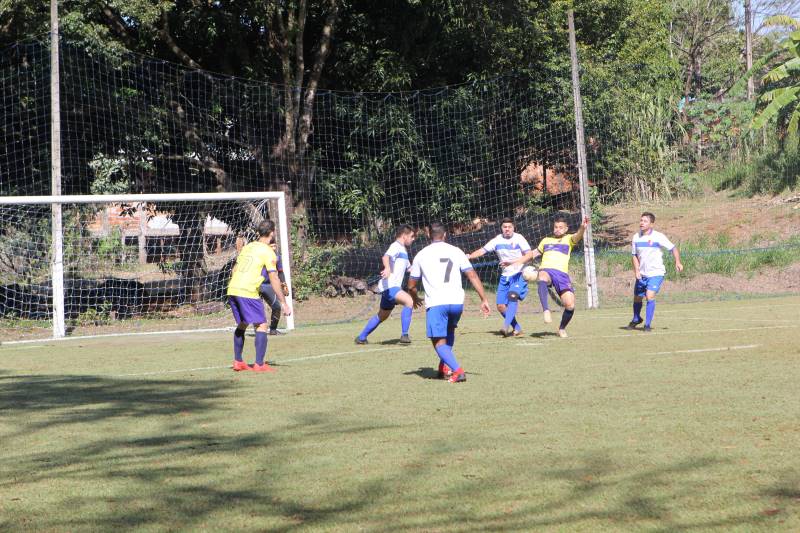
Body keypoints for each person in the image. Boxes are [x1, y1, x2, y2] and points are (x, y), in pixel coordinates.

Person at [407, 223, 491, 383]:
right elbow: (472, 275)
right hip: (456, 302)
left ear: (428, 235)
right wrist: (484, 299)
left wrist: (415, 297)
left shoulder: (421, 254)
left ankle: (458, 371)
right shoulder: (456, 251)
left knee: (438, 340)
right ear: (445, 235)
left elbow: (411, 285)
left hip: (437, 303)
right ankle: (443, 367)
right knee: (449, 331)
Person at [227, 220, 292, 372]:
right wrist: (283, 302)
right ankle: (259, 364)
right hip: (247, 290)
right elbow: (274, 278)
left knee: (243, 323)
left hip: (233, 288)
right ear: (272, 233)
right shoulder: (268, 252)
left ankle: (238, 361)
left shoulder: (248, 246)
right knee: (261, 325)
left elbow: (234, 269)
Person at [468, 217, 533, 337]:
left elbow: (529, 255)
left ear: (513, 227)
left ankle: (505, 326)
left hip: (519, 274)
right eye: (505, 227)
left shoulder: (519, 238)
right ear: (501, 228)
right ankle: (517, 328)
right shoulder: (497, 240)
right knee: (501, 306)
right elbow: (482, 250)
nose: (507, 229)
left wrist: (514, 263)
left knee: (512, 296)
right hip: (505, 276)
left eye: (509, 227)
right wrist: (469, 256)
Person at [355, 225, 417, 345]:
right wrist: (387, 268)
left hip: (388, 288)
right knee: (409, 301)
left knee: (382, 316)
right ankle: (404, 335)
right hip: (390, 286)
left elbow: (410, 269)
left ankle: (361, 338)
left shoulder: (403, 250)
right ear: (404, 236)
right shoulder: (395, 246)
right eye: (412, 236)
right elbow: (385, 257)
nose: (413, 239)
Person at [530, 214, 589, 338]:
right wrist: (516, 262)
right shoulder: (546, 240)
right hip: (547, 270)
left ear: (566, 229)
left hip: (562, 275)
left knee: (570, 305)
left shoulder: (568, 239)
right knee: (542, 277)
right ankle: (546, 310)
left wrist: (582, 228)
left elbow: (578, 236)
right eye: (556, 227)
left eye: (561, 227)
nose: (557, 229)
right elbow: (532, 254)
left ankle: (561, 328)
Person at [626, 212, 683, 331]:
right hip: (642, 274)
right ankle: (636, 319)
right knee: (637, 297)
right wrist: (636, 271)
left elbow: (673, 248)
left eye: (645, 221)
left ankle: (647, 325)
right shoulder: (636, 237)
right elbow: (634, 255)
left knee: (649, 295)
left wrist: (677, 262)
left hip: (656, 273)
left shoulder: (658, 236)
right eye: (641, 220)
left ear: (651, 224)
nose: (642, 223)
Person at [259, 241, 289, 335]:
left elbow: (280, 272)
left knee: (277, 307)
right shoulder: (260, 255)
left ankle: (273, 330)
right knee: (257, 308)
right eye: (271, 246)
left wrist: (284, 284)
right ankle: (258, 329)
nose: (273, 248)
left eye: (275, 246)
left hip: (268, 285)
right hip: (256, 285)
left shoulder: (277, 257)